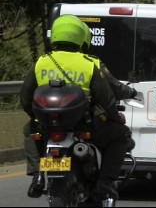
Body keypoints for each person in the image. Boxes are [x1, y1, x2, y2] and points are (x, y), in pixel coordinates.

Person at [20, 15, 129, 199]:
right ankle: (105, 182)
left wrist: (37, 118)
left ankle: (38, 176)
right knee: (121, 134)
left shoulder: (42, 62)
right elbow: (107, 100)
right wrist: (114, 117)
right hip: (83, 125)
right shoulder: (88, 63)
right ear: (80, 37)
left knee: (28, 131)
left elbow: (25, 98)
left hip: (48, 125)